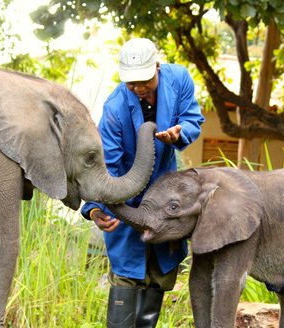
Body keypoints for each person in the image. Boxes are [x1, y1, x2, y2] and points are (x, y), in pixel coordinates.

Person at [80, 38, 204, 327]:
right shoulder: (114, 109)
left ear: (157, 67)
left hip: (164, 198)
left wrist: (180, 132)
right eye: (131, 83)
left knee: (158, 274)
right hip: (125, 198)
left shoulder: (179, 79)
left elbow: (192, 118)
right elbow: (105, 166)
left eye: (144, 81)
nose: (137, 88)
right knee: (126, 271)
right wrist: (96, 209)